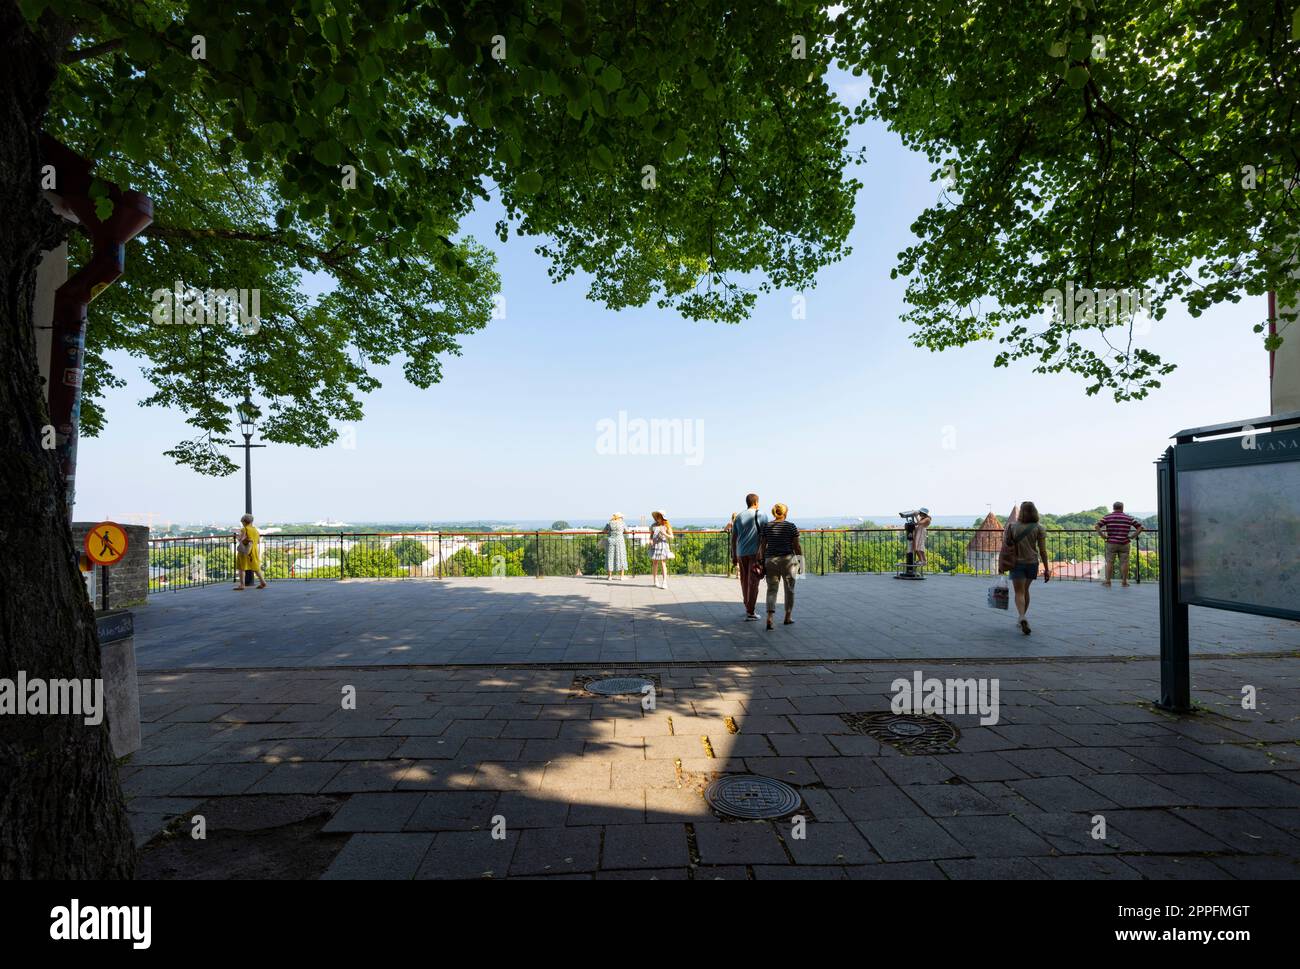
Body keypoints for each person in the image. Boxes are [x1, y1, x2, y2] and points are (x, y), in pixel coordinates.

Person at [1004, 501, 1050, 634]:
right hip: (1032, 563)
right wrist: (1046, 568)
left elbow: (1006, 546)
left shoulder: (1011, 526)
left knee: (1019, 592)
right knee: (1026, 590)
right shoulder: (1039, 527)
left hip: (1016, 562)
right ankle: (1022, 617)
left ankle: (1022, 617)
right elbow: (1043, 551)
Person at [758, 503, 801, 630]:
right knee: (789, 589)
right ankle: (787, 617)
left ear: (774, 513)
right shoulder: (791, 527)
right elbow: (797, 546)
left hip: (771, 560)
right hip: (788, 560)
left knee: (772, 589)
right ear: (785, 513)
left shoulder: (767, 526)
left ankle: (770, 618)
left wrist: (761, 560)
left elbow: (762, 545)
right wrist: (801, 562)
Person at [730, 494, 768, 620]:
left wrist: (733, 554)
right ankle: (750, 611)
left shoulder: (739, 516)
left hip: (741, 552)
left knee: (744, 580)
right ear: (756, 502)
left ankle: (747, 605)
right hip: (755, 553)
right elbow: (765, 536)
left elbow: (733, 538)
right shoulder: (762, 515)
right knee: (753, 582)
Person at [1095, 501, 1145, 588]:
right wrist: (1132, 536)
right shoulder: (1128, 517)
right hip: (1124, 543)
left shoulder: (1107, 517)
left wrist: (1103, 536)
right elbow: (1141, 527)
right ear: (1122, 508)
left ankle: (1108, 582)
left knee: (1110, 562)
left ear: (1113, 508)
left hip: (1111, 543)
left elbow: (1097, 526)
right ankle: (1124, 582)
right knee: (1124, 563)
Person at [234, 514, 267, 590]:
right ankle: (263, 582)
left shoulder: (244, 529)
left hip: (245, 551)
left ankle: (242, 585)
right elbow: (258, 541)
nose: (242, 523)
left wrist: (238, 537)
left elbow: (241, 539)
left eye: (242, 522)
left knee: (241, 568)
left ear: (245, 522)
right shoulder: (255, 530)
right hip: (253, 551)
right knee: (255, 568)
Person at [649, 511, 674, 588]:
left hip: (663, 545)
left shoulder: (666, 525)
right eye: (656, 517)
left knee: (663, 563)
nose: (657, 518)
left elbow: (672, 537)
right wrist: (650, 540)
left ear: (662, 518)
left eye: (659, 517)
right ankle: (655, 580)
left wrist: (664, 533)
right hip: (655, 545)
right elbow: (651, 535)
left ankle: (664, 581)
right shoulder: (653, 525)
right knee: (655, 563)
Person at [603, 512, 629, 581]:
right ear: (619, 517)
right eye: (621, 517)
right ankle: (622, 576)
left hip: (611, 541)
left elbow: (604, 530)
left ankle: (609, 576)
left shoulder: (609, 523)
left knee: (610, 557)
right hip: (620, 541)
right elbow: (627, 531)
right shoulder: (622, 523)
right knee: (621, 557)